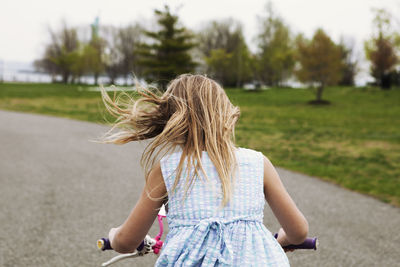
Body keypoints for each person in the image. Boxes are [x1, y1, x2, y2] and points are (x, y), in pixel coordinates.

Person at [101, 74, 309, 266]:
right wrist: (283, 238)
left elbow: (128, 240)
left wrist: (114, 236)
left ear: (170, 121)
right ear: (226, 114)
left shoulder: (168, 169)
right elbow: (298, 231)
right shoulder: (257, 163)